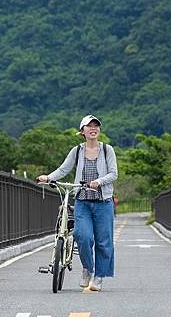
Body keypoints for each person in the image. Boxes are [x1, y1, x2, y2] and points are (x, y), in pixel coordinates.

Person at [37, 114, 118, 291]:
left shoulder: (107, 150)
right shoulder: (77, 151)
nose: (93, 128)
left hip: (103, 202)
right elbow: (64, 169)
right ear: (82, 131)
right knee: (82, 236)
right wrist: (48, 177)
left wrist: (99, 181)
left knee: (104, 241)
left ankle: (99, 276)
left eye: (96, 125)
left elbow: (113, 173)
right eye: (89, 126)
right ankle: (88, 268)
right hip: (82, 201)